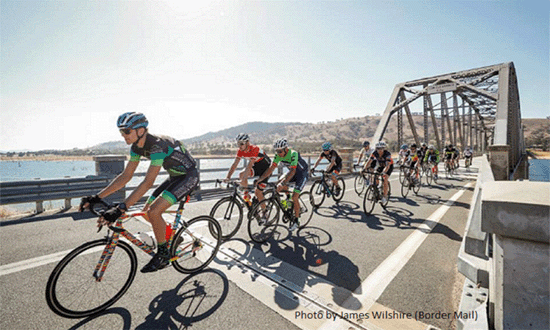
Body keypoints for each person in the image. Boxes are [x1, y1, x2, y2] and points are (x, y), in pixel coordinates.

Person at [80, 112, 199, 273]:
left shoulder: (157, 146)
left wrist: (121, 208)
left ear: (141, 130)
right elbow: (125, 176)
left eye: (127, 131)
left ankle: (163, 254)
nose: (123, 135)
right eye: (121, 132)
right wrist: (96, 197)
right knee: (146, 212)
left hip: (189, 177)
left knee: (154, 211)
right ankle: (173, 237)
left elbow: (147, 182)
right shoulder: (136, 148)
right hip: (174, 177)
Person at [256, 138, 309, 232]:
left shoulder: (293, 154)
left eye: (280, 151)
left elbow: (293, 171)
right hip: (292, 172)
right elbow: (271, 168)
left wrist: (284, 183)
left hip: (302, 174)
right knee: (278, 184)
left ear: (286, 149)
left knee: (295, 197)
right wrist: (261, 179)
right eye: (276, 151)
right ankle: (288, 199)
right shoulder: (278, 156)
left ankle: (297, 221)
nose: (278, 153)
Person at [225, 133, 271, 206]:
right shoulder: (240, 150)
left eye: (242, 144)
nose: (240, 146)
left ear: (247, 143)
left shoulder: (255, 149)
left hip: (266, 169)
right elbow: (235, 164)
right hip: (257, 166)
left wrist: (243, 180)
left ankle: (265, 213)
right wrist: (228, 177)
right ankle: (247, 197)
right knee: (241, 174)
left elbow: (249, 165)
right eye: (238, 144)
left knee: (258, 193)